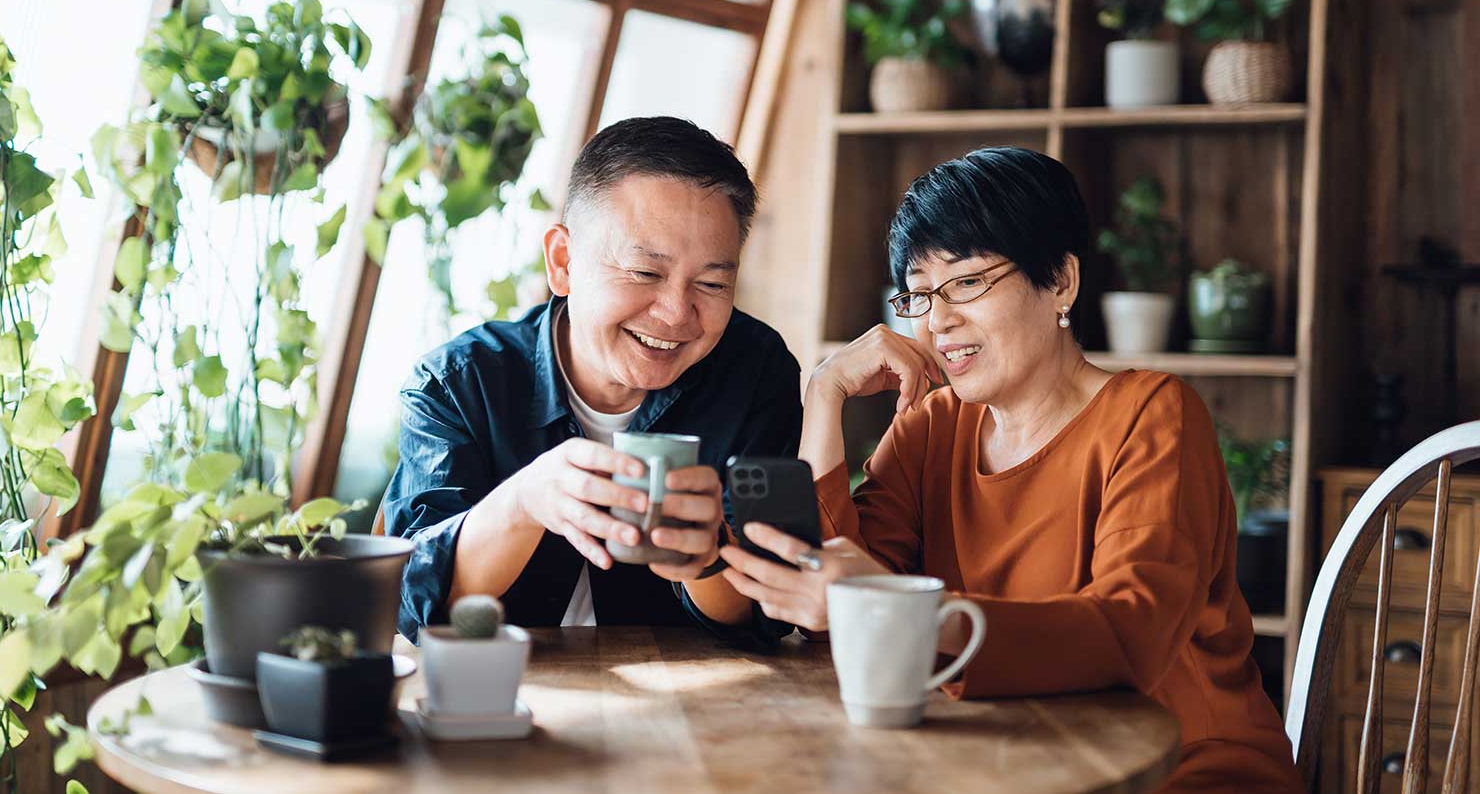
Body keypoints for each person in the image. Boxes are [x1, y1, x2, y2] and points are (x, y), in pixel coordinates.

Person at [719, 147, 1303, 791]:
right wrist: (823, 396)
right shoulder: (932, 425)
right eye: (920, 295)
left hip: (1180, 766)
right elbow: (836, 608)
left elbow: (1129, 633)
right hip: (1011, 763)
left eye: (967, 283)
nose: (938, 320)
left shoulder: (1154, 415)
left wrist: (889, 611)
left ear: (1060, 281)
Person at [386, 116, 799, 647]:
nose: (676, 314)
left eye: (713, 282)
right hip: (503, 691)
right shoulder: (460, 384)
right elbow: (417, 606)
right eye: (645, 273)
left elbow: (771, 610)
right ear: (563, 261)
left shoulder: (756, 371)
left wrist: (708, 560)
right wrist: (524, 502)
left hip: (691, 707)